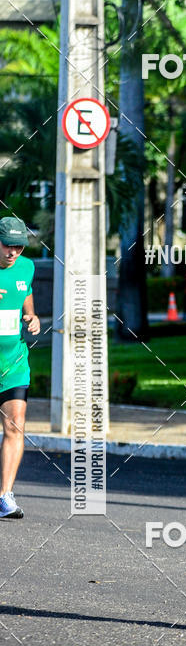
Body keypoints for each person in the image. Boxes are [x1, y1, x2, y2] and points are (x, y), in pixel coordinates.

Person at [0, 216, 40, 519]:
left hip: (13, 362)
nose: (13, 252)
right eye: (7, 245)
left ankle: (4, 496)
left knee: (15, 425)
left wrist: (32, 316)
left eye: (18, 246)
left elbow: (25, 295)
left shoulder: (27, 267)